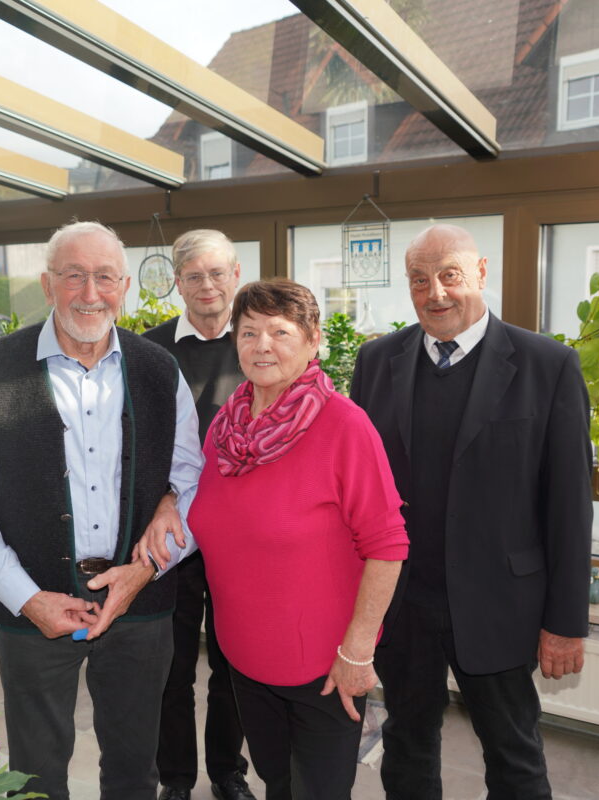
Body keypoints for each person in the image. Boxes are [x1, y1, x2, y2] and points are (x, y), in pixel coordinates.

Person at [0, 220, 203, 800]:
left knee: (137, 769)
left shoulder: (160, 370)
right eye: (74, 276)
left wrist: (145, 571)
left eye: (105, 277)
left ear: (126, 285)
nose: (91, 293)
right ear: (47, 284)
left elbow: (194, 481)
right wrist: (26, 597)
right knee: (35, 775)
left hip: (141, 608)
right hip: (34, 613)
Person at [349, 223, 593, 799]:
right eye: (418, 280)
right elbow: (357, 491)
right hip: (403, 604)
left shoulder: (547, 365)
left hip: (500, 604)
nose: (435, 293)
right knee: (406, 747)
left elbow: (569, 505)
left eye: (450, 275)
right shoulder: (376, 361)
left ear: (481, 273)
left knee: (513, 754)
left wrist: (564, 623)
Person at [148, 279, 408, 800]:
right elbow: (202, 507)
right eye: (248, 332)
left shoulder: (344, 426)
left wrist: (357, 650)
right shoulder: (228, 425)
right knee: (276, 782)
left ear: (313, 341)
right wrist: (168, 503)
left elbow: (388, 544)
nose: (261, 345)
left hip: (324, 667)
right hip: (246, 661)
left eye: (279, 332)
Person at [142, 230, 254, 800]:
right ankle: (176, 778)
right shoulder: (149, 349)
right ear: (178, 283)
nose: (207, 285)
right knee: (174, 665)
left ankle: (228, 772)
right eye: (194, 276)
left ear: (236, 273)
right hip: (175, 528)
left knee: (234, 661)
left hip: (242, 533)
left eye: (216, 273)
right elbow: (135, 442)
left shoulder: (262, 340)